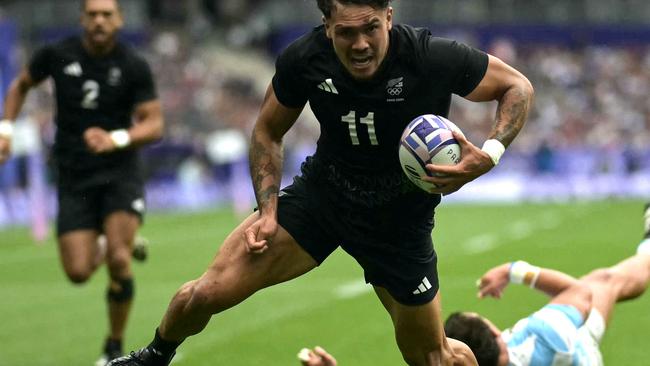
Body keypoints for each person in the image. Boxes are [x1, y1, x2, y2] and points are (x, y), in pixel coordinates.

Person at [110, 0, 532, 365]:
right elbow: (266, 132)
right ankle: (153, 357)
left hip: (399, 223)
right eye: (346, 33)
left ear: (389, 16)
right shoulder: (305, 58)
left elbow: (516, 86)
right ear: (328, 27)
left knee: (431, 356)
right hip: (323, 198)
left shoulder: (430, 56)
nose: (361, 44)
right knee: (207, 293)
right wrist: (269, 211)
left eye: (370, 28)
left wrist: (489, 153)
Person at [0, 0, 163, 364]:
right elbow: (19, 86)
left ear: (119, 20)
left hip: (120, 173)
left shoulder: (133, 65)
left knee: (120, 262)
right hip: (74, 176)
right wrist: (5, 131)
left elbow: (155, 124)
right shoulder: (57, 54)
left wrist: (116, 138)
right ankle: (112, 240)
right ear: (82, 19)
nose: (100, 21)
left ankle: (113, 348)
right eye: (93, 14)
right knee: (77, 272)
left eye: (107, 14)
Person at [443, 238, 650, 366]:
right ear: (494, 331)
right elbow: (580, 292)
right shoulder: (541, 334)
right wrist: (513, 271)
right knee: (605, 281)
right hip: (579, 347)